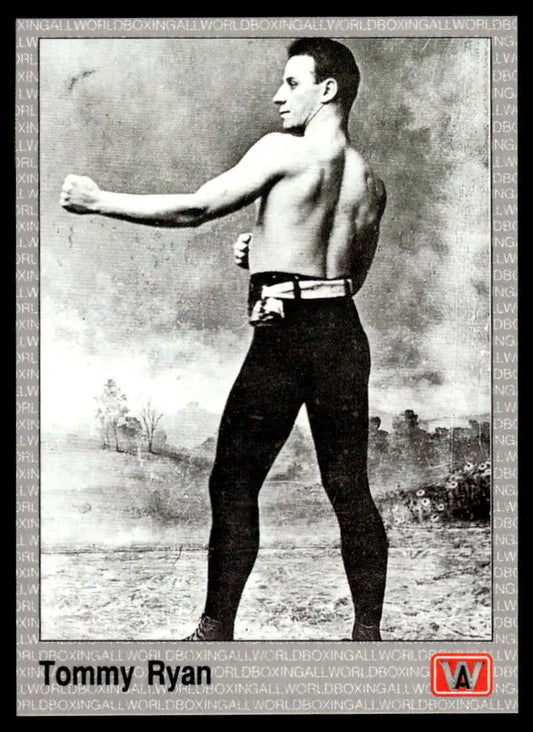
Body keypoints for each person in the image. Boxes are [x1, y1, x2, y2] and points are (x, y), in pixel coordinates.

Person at [60, 38, 388, 641]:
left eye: (292, 83)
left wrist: (99, 201)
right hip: (342, 336)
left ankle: (217, 630)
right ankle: (368, 633)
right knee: (349, 488)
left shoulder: (282, 151)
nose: (277, 95)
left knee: (233, 482)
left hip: (286, 341)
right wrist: (264, 256)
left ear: (328, 90)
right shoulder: (370, 184)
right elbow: (348, 278)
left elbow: (194, 209)